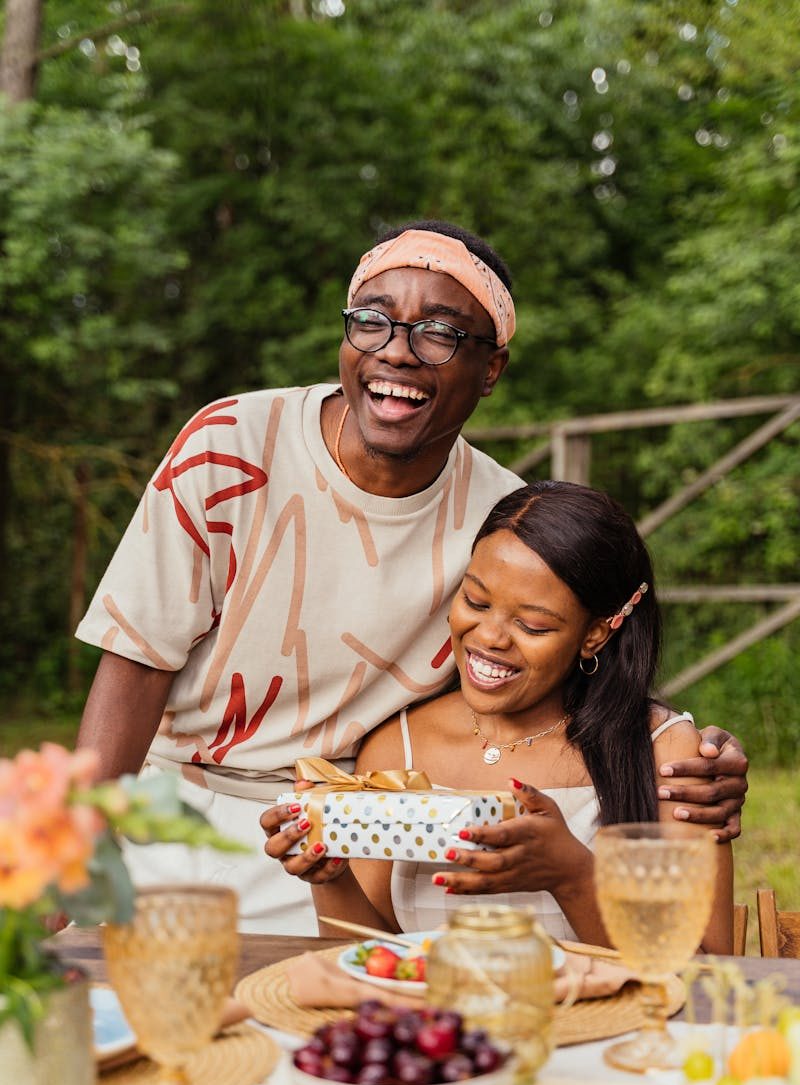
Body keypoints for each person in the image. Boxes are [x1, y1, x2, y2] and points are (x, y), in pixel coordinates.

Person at [75, 220, 746, 934]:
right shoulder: (232, 446)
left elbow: (563, 665)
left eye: (440, 333)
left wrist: (689, 751)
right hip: (168, 807)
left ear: (491, 369)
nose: (396, 349)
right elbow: (135, 664)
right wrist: (75, 848)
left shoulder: (499, 520)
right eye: (373, 320)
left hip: (340, 833)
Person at [263, 481, 733, 952]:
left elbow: (710, 974)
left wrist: (572, 876)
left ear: (594, 635)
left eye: (532, 625)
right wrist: (330, 879)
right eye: (475, 601)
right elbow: (370, 955)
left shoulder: (667, 755)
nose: (489, 636)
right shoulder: (399, 746)